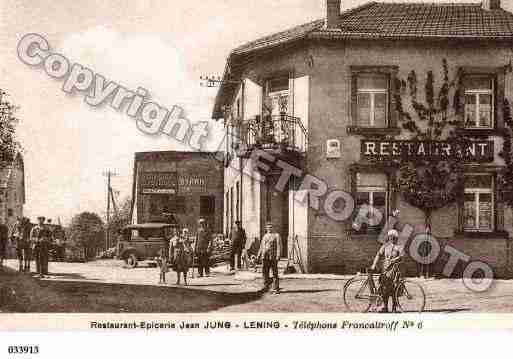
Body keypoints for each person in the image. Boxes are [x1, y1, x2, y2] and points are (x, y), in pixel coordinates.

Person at [370, 229, 404, 313]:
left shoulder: (399, 247)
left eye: (394, 237)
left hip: (395, 270)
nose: (393, 239)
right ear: (389, 237)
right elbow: (378, 254)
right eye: (391, 237)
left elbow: (402, 256)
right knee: (384, 289)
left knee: (394, 289)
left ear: (396, 238)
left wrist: (395, 259)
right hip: (385, 270)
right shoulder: (385, 246)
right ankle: (385, 307)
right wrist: (374, 264)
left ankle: (394, 307)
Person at [257, 221, 282, 293]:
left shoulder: (276, 235)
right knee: (265, 272)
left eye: (271, 227)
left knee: (274, 272)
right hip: (265, 256)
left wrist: (278, 255)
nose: (269, 229)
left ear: (273, 228)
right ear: (266, 228)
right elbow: (261, 246)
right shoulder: (265, 236)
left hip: (273, 257)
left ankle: (276, 288)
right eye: (268, 227)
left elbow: (279, 246)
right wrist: (258, 255)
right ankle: (265, 287)